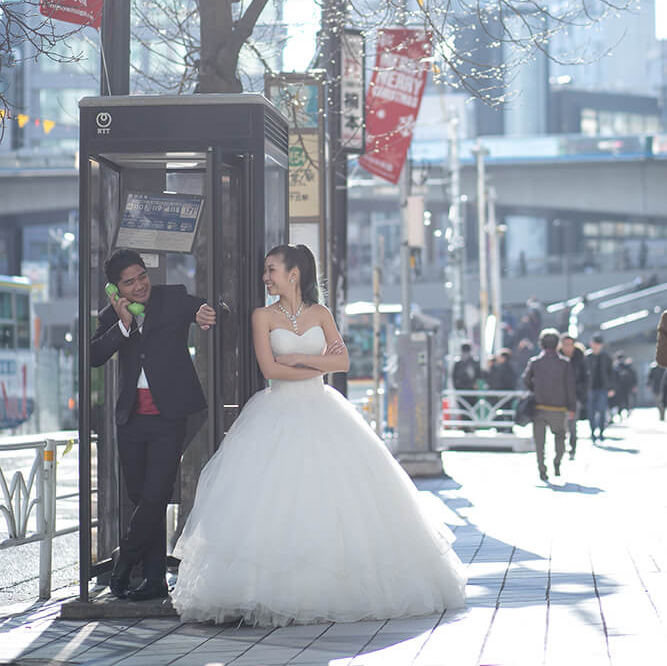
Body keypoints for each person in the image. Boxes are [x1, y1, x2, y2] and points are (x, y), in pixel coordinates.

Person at [172, 244, 466, 625]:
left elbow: (341, 362)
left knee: (339, 499)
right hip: (275, 413)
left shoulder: (321, 313)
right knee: (274, 501)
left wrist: (300, 359)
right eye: (266, 271)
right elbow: (270, 370)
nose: (266, 277)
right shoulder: (261, 316)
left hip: (323, 409)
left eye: (271, 270)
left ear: (293, 273)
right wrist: (312, 365)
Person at [91, 249, 217, 601]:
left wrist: (204, 313)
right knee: (142, 499)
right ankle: (154, 580)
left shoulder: (170, 297)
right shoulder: (111, 315)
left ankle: (123, 564)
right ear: (116, 289)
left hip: (169, 416)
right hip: (131, 419)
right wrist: (122, 326)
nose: (139, 285)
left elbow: (201, 306)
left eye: (141, 276)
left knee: (155, 495)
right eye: (128, 282)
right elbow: (94, 356)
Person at [523, 328, 576, 483]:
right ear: (557, 344)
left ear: (541, 343)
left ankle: (542, 469)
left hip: (538, 407)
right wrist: (572, 408)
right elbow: (570, 387)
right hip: (558, 409)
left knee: (540, 442)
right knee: (560, 436)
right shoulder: (565, 364)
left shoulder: (535, 362)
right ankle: (557, 463)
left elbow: (525, 379)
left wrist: (535, 388)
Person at [558, 334, 588, 459]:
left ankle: (572, 448)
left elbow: (585, 377)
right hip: (560, 396)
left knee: (572, 424)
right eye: (565, 344)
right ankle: (561, 447)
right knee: (561, 424)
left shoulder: (579, 356)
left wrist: (581, 393)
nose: (567, 347)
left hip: (575, 396)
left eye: (570, 345)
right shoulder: (557, 355)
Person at [585, 333, 614, 442]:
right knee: (591, 412)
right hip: (590, 388)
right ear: (591, 343)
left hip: (603, 388)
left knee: (602, 411)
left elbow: (611, 373)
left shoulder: (606, 356)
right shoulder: (587, 356)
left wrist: (611, 388)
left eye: (599, 344)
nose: (596, 346)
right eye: (595, 343)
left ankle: (601, 432)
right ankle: (592, 432)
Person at [453, 341, 482, 427]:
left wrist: (456, 388)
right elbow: (479, 375)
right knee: (471, 408)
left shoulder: (458, 362)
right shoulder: (474, 361)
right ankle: (470, 426)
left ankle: (466, 426)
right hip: (471, 389)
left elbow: (453, 377)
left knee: (464, 409)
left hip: (461, 389)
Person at [486, 348, 516, 430]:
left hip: (502, 393)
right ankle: (509, 428)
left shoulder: (501, 368)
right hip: (509, 393)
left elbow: (497, 381)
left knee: (500, 411)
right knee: (507, 411)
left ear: (503, 358)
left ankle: (501, 428)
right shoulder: (511, 367)